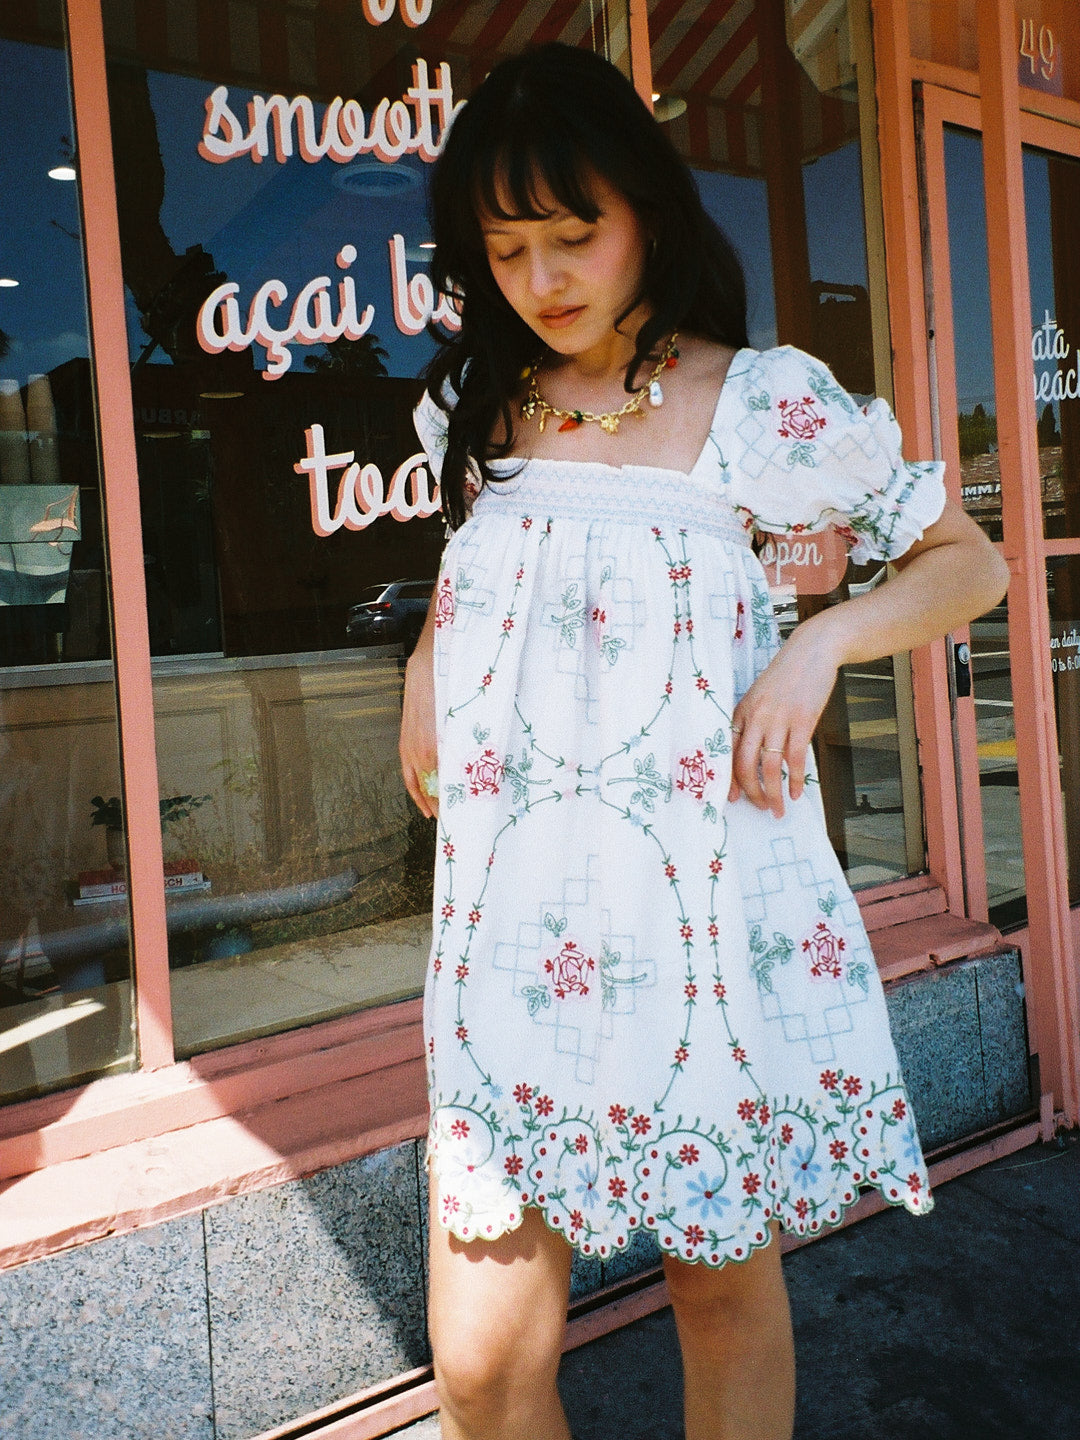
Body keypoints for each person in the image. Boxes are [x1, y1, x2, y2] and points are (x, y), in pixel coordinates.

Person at [398, 42, 1009, 1440]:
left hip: (697, 922)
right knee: (481, 1369)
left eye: (573, 233)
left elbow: (968, 565)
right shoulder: (471, 404)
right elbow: (468, 567)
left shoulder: (759, 399)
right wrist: (425, 664)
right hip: (509, 933)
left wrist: (820, 644)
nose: (542, 277)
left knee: (720, 1301)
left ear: (648, 213)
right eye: (506, 247)